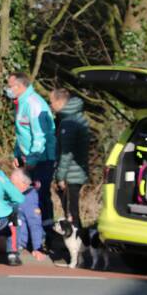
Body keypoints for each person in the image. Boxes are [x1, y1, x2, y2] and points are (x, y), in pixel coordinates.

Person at [5, 72, 56, 226]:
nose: (7, 89)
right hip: (28, 159)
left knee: (40, 196)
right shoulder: (20, 102)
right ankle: (28, 231)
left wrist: (32, 159)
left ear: (19, 86)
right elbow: (22, 133)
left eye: (9, 86)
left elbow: (39, 136)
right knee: (25, 196)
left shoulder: (34, 103)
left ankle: (47, 233)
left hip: (41, 159)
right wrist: (17, 155)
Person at [50, 87, 91, 268]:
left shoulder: (68, 123)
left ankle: (81, 254)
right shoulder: (77, 117)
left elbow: (66, 154)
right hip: (77, 173)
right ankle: (82, 252)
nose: (51, 106)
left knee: (71, 215)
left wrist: (60, 176)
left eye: (51, 102)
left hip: (70, 176)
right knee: (73, 213)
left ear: (60, 102)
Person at [10, 167, 46, 262]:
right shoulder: (18, 195)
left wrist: (37, 248)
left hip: (20, 243)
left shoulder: (30, 199)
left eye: (13, 184)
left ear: (23, 184)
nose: (11, 186)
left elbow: (35, 225)